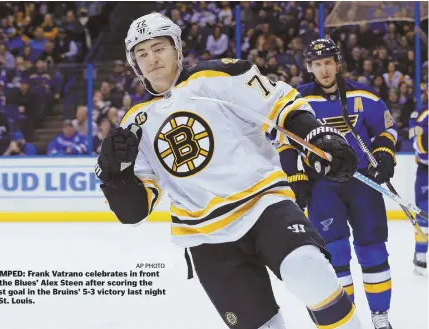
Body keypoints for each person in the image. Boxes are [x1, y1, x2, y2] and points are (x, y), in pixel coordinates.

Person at [96, 14, 361, 329]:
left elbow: (281, 106)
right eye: (142, 54)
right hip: (205, 235)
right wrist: (117, 177)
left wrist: (320, 136)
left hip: (263, 204)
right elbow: (134, 212)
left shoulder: (218, 76)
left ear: (176, 49)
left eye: (158, 48)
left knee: (309, 271)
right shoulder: (134, 125)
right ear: (134, 64)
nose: (152, 59)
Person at [278, 38, 397, 329]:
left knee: (373, 249)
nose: (324, 69)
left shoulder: (363, 94)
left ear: (337, 63)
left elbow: (387, 129)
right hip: (323, 187)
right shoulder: (298, 101)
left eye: (328, 62)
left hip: (363, 184)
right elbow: (285, 143)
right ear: (309, 67)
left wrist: (384, 156)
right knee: (336, 253)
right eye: (317, 64)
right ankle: (348, 318)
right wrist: (296, 178)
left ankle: (380, 316)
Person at [409, 105, 428, 275]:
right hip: (425, 172)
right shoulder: (420, 114)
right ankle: (421, 256)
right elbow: (415, 141)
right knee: (424, 214)